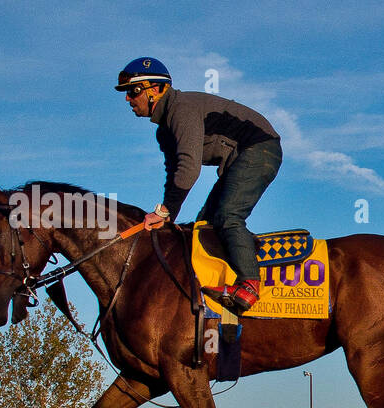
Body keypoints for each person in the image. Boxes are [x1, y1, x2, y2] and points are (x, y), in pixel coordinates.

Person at [116, 57, 283, 312]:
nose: (128, 99)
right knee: (204, 225)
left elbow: (188, 168)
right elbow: (174, 176)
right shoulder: (164, 132)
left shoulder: (181, 110)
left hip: (260, 148)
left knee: (228, 215)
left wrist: (163, 212)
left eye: (133, 91)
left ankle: (249, 284)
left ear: (156, 89)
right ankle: (233, 269)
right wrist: (167, 217)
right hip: (239, 157)